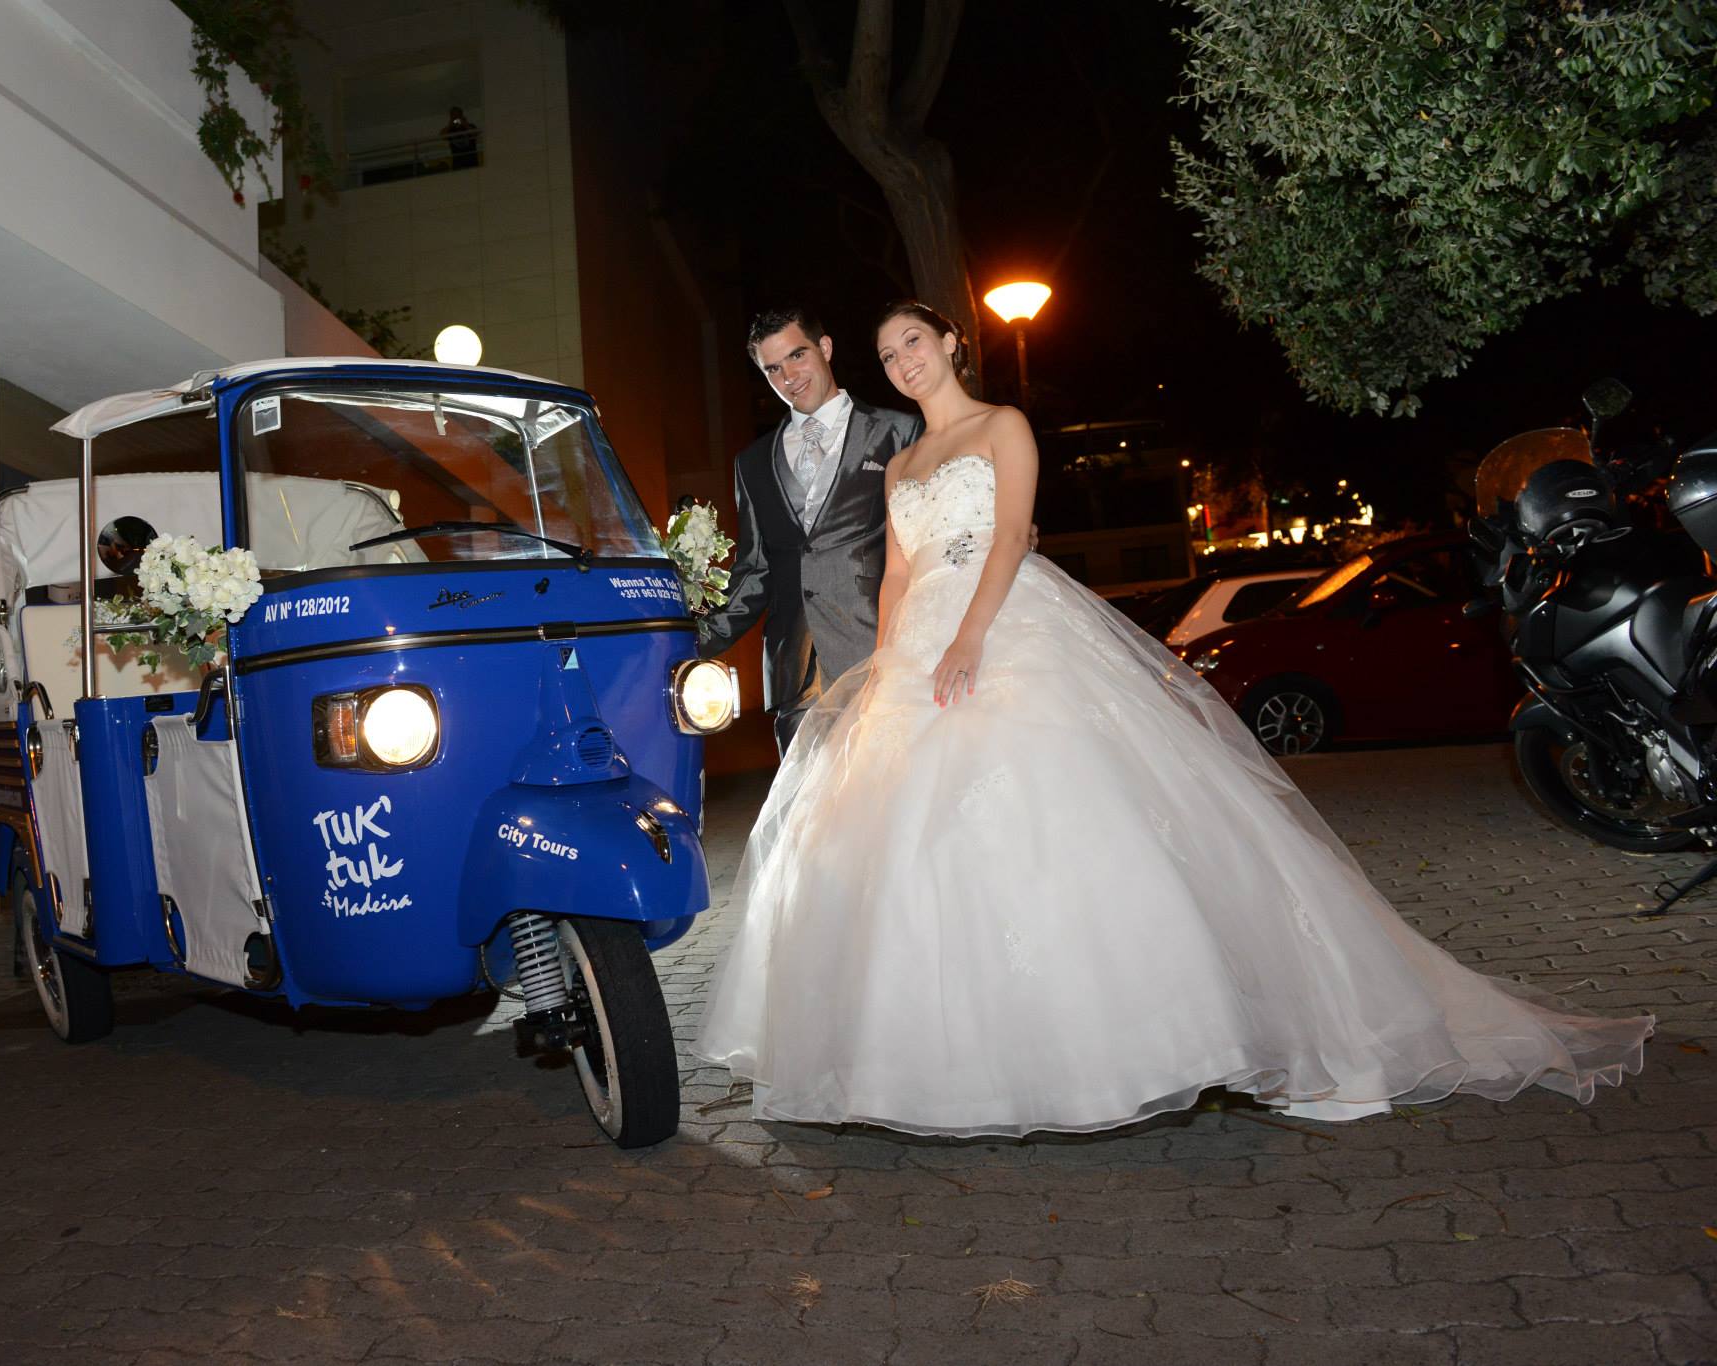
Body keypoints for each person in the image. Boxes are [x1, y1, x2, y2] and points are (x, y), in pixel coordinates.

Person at [691, 300, 1653, 1136]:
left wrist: (972, 639)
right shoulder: (900, 465)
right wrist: (893, 661)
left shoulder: (1000, 426)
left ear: (948, 342)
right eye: (890, 351)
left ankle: (1172, 1037)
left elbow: (1014, 537)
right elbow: (893, 572)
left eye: (913, 343)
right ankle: (936, 1058)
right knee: (901, 848)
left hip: (1002, 628)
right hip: (906, 651)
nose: (903, 362)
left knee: (1062, 813)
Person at [698, 307, 922, 753]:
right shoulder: (753, 462)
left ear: (825, 347)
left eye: (797, 356)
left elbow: (925, 540)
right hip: (795, 672)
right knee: (809, 816)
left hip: (881, 652)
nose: (789, 377)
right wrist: (685, 639)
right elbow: (755, 570)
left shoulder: (898, 430)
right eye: (773, 369)